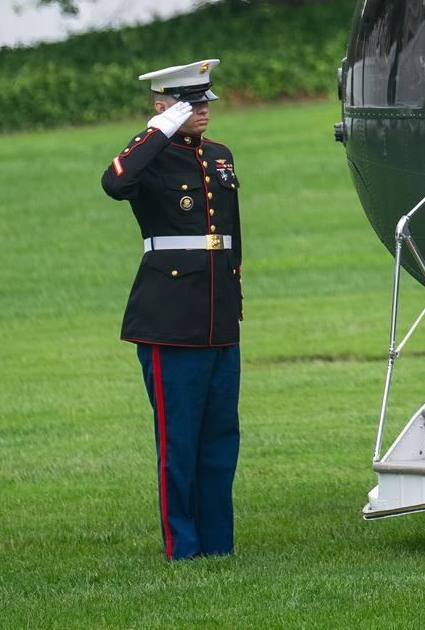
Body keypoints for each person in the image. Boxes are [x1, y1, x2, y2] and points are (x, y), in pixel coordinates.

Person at [100, 59, 243, 560]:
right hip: (170, 318)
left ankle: (218, 545)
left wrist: (234, 303)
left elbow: (231, 238)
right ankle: (182, 546)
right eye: (190, 103)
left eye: (205, 101)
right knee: (178, 443)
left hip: (217, 317)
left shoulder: (220, 156)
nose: (203, 110)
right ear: (163, 108)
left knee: (221, 441)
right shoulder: (149, 159)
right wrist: (155, 133)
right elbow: (114, 183)